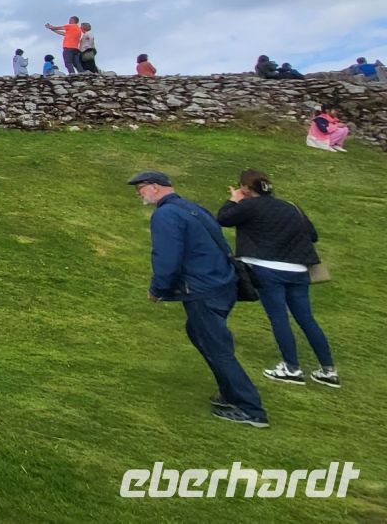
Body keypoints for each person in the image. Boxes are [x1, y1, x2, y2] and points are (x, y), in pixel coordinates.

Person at [128, 171, 268, 427]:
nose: (139, 194)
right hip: (222, 284)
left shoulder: (165, 215)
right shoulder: (192, 208)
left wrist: (158, 289)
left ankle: (250, 408)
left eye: (140, 189)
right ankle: (230, 392)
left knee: (217, 347)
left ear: (155, 187)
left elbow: (167, 257)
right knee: (198, 333)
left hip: (203, 289)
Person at [217, 170, 338, 388]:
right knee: (306, 318)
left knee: (279, 318)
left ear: (245, 188)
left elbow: (223, 218)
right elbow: (312, 235)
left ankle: (292, 368)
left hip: (267, 269)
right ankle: (329, 370)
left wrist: (233, 200)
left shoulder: (249, 206)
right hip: (298, 269)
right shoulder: (291, 207)